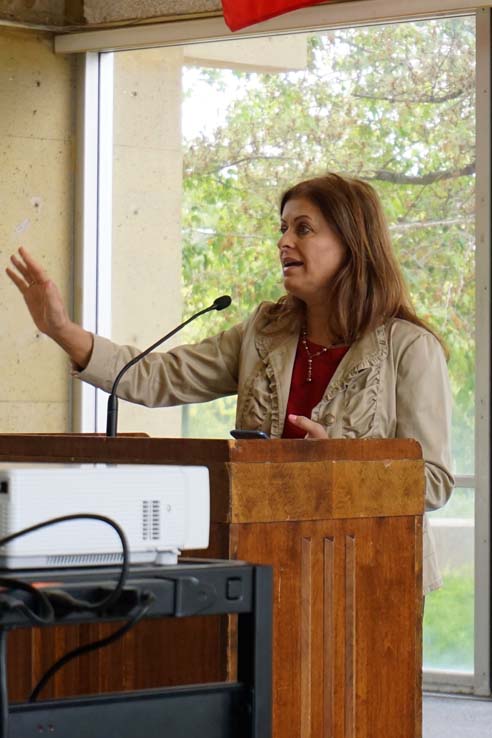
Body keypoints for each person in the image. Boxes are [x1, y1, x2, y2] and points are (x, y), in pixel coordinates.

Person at [6, 172, 454, 594]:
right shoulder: (263, 331)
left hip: (375, 571)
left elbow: (433, 481)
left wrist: (338, 465)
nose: (283, 242)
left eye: (303, 229)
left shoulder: (409, 347)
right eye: (283, 228)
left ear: (353, 244)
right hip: (268, 561)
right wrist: (63, 330)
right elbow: (157, 376)